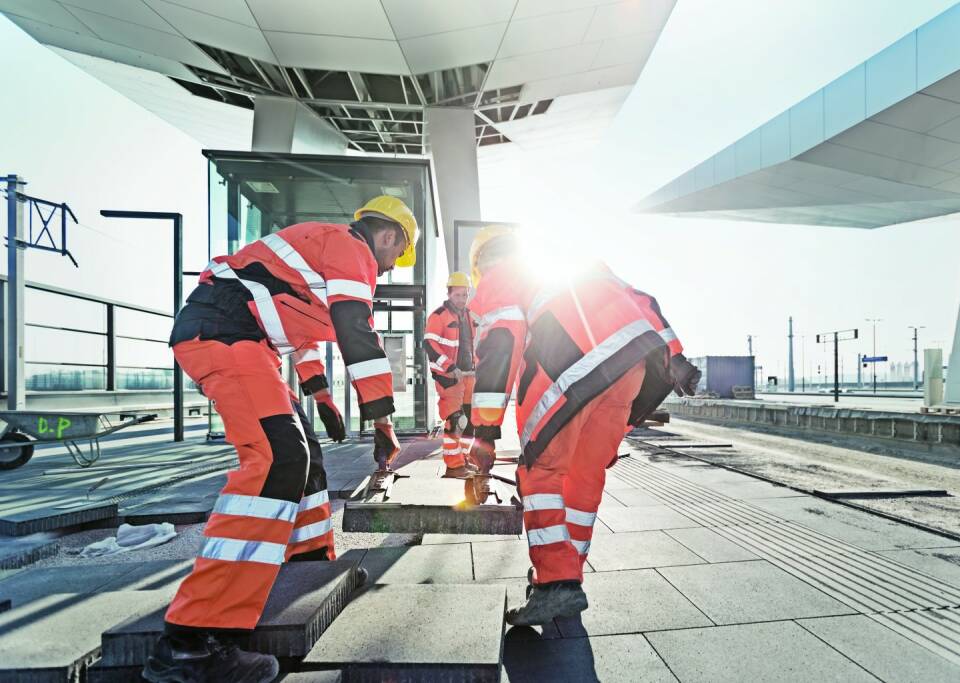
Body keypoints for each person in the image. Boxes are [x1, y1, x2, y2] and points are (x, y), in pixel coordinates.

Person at [142, 196, 416, 683]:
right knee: (274, 461)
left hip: (245, 339)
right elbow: (356, 326)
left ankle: (308, 565)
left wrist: (323, 398)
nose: (392, 267)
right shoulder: (348, 246)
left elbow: (300, 333)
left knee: (302, 455)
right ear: (389, 235)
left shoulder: (316, 255)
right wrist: (381, 419)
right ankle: (191, 640)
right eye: (397, 256)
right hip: (225, 336)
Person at [465, 226, 701, 626]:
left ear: (483, 261)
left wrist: (485, 431)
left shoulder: (498, 276)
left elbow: (502, 342)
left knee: (540, 471)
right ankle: (568, 570)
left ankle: (556, 583)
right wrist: (675, 355)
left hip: (571, 367)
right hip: (631, 366)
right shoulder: (582, 266)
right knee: (585, 474)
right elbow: (644, 302)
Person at [424, 271, 477, 478]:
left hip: (468, 376)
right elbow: (429, 344)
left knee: (469, 422)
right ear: (449, 294)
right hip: (449, 377)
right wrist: (448, 367)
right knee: (455, 421)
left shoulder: (469, 317)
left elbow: (471, 346)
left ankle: (463, 460)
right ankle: (454, 466)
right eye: (457, 295)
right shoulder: (439, 316)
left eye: (464, 295)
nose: (462, 299)